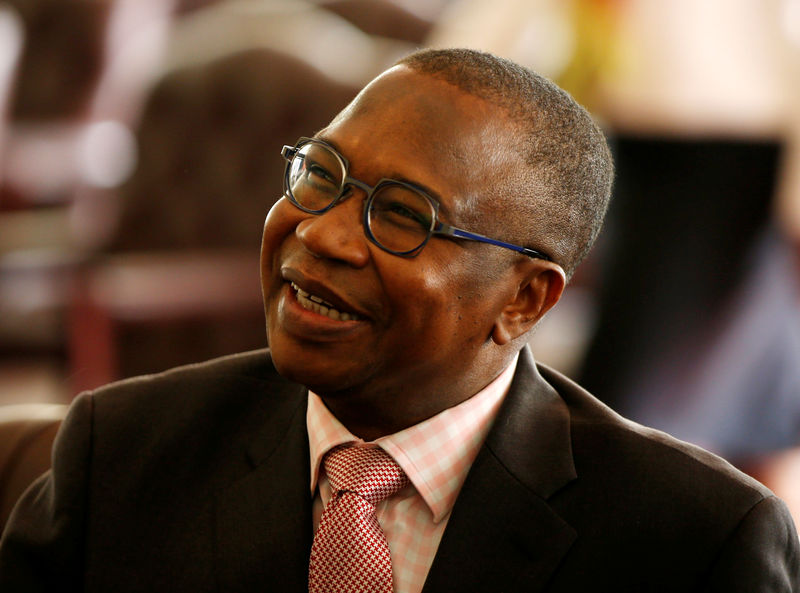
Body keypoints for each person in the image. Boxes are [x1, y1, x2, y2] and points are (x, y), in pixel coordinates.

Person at [0, 48, 798, 592]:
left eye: (402, 216)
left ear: (525, 299)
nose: (320, 233)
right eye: (320, 173)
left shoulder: (693, 542)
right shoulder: (125, 450)